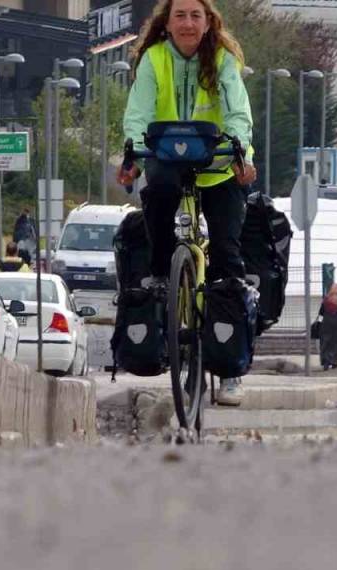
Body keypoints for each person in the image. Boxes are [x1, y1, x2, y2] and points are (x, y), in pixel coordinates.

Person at [121, 0, 257, 405]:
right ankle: (164, 280)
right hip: (165, 161)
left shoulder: (222, 60)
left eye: (196, 15)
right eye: (180, 15)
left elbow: (238, 112)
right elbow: (138, 113)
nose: (187, 22)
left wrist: (240, 154)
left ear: (207, 22)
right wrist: (130, 154)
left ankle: (231, 369)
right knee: (157, 209)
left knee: (228, 255)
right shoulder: (154, 60)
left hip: (216, 167)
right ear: (167, 23)